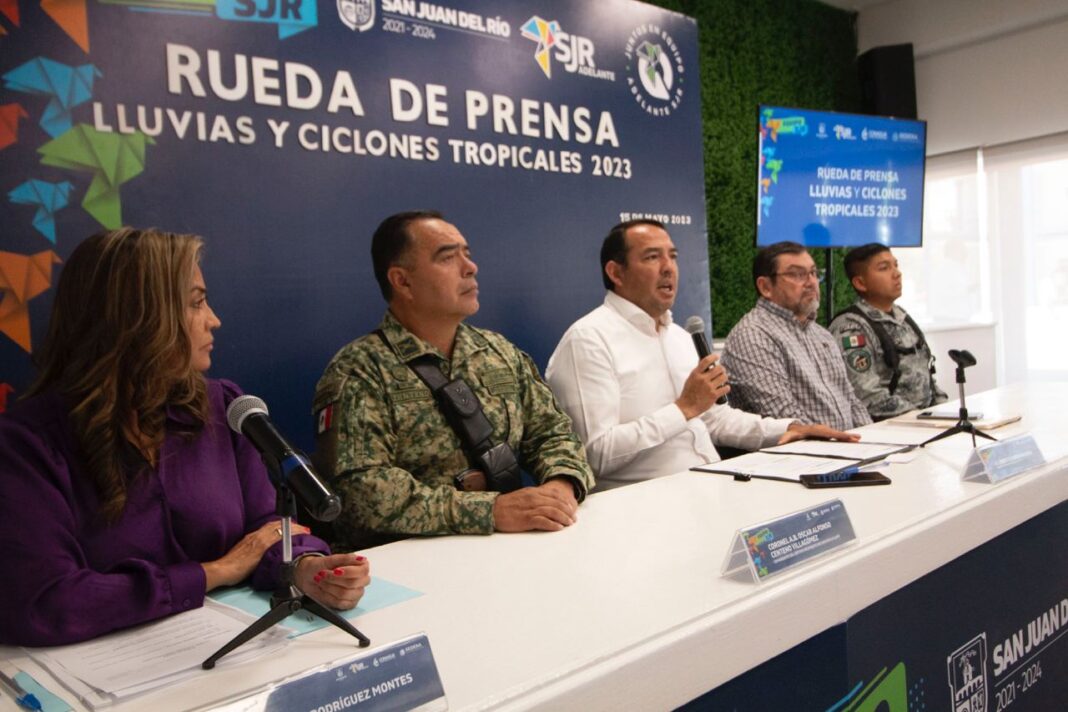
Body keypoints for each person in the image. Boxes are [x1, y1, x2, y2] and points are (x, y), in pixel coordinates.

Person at [0, 228, 369, 647]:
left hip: (228, 655)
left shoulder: (223, 407)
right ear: (136, 317)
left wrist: (305, 566)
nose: (214, 319)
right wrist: (214, 572)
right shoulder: (26, 443)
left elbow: (264, 527)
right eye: (196, 303)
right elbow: (43, 603)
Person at [313, 211, 594, 550]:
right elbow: (362, 493)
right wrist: (489, 511)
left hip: (509, 550)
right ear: (402, 281)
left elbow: (554, 433)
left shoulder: (498, 351)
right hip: (410, 566)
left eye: (468, 254)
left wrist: (561, 485)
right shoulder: (360, 369)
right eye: (447, 257)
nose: (470, 267)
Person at [545, 220, 858, 490]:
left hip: (711, 485)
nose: (669, 268)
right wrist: (683, 408)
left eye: (673, 256)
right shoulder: (589, 339)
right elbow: (594, 455)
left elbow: (716, 421)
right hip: (641, 507)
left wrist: (788, 428)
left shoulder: (679, 337)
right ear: (616, 272)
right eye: (652, 257)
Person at [721, 241, 872, 430]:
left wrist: (872, 441)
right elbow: (785, 417)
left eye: (814, 273)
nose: (811, 282)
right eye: (797, 274)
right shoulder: (753, 334)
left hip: (844, 450)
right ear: (765, 286)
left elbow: (851, 401)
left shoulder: (821, 334)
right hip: (801, 454)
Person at [829, 243, 947, 420]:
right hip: (887, 430)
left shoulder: (902, 318)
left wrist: (944, 411)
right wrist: (924, 419)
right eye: (884, 268)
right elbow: (868, 398)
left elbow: (926, 379)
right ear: (860, 283)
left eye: (896, 265)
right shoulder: (851, 327)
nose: (897, 274)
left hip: (922, 423)